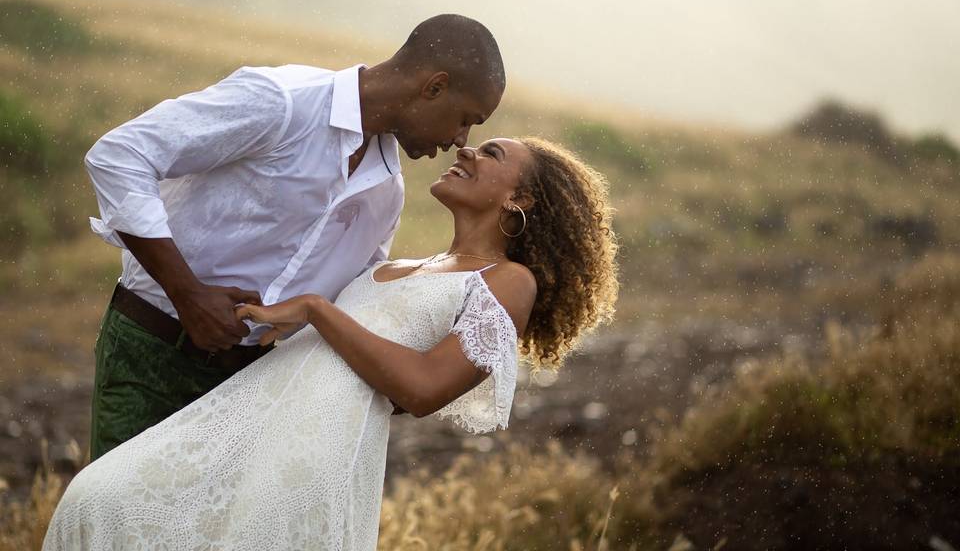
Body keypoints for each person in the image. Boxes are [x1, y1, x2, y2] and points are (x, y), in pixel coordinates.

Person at [44, 137, 619, 550]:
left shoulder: (509, 282)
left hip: (314, 452)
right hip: (252, 418)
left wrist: (318, 310)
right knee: (101, 501)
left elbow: (420, 389)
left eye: (491, 154)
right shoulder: (400, 262)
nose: (466, 150)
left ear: (522, 201)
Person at [82, 14, 506, 460]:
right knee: (119, 523)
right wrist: (186, 293)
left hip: (251, 388)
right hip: (151, 352)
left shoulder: (386, 191)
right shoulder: (283, 102)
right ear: (434, 86)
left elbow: (353, 304)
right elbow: (120, 156)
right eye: (465, 119)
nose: (461, 140)